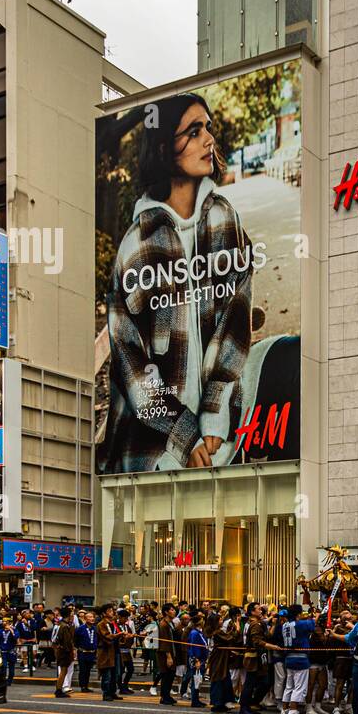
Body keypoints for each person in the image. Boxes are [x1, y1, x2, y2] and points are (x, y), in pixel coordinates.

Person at [102, 92, 255, 474]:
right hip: (148, 451)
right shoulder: (135, 245)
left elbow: (234, 325)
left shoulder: (225, 220)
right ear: (163, 147)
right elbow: (130, 365)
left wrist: (215, 417)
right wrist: (184, 436)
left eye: (208, 128)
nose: (208, 139)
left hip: (220, 442)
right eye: (193, 131)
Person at [278, 604, 315, 714]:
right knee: (299, 686)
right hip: (301, 659)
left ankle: (285, 709)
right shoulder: (301, 624)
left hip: (288, 658)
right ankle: (293, 710)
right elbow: (312, 625)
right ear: (298, 614)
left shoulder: (284, 625)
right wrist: (314, 616)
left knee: (289, 685)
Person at [238, 603, 271, 714]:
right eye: (258, 609)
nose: (261, 611)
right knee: (250, 684)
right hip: (253, 657)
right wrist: (271, 646)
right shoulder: (255, 624)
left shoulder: (249, 623)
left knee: (255, 683)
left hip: (251, 655)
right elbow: (257, 641)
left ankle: (248, 705)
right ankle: (244, 707)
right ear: (252, 612)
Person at [208, 607, 239, 713]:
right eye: (220, 619)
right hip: (219, 658)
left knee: (224, 678)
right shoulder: (217, 632)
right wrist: (237, 628)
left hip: (222, 657)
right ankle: (217, 703)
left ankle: (223, 701)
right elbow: (231, 637)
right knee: (218, 677)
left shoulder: (218, 631)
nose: (222, 621)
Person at [94, 604, 122, 701]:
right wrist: (119, 635)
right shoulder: (101, 624)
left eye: (112, 610)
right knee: (107, 674)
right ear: (104, 613)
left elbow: (119, 635)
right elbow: (107, 637)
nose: (112, 612)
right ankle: (106, 693)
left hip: (115, 651)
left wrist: (126, 635)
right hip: (105, 652)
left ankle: (113, 692)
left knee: (116, 674)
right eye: (109, 611)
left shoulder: (114, 623)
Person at [185, 616, 208, 707]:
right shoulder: (194, 633)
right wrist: (196, 660)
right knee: (196, 680)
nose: (204, 621)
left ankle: (196, 699)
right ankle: (194, 701)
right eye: (202, 620)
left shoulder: (200, 632)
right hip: (197, 659)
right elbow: (194, 647)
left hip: (201, 658)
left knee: (198, 679)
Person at [75, 610, 98, 693]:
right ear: (85, 619)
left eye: (93, 617)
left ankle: (86, 685)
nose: (92, 619)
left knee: (88, 670)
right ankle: (82, 686)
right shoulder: (80, 629)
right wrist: (78, 648)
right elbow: (76, 640)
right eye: (90, 617)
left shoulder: (95, 629)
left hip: (92, 652)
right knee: (83, 670)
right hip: (83, 652)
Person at [0, 617, 17, 685]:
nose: (3, 622)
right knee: (4, 666)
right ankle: (3, 680)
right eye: (3, 621)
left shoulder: (15, 630)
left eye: (5, 621)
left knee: (11, 667)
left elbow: (16, 637)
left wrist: (11, 630)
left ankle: (9, 681)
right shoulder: (0, 631)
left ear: (9, 622)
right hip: (3, 652)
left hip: (11, 651)